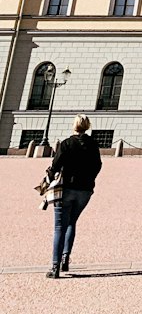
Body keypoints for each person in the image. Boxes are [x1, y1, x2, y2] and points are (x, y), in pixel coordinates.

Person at [47, 114, 102, 278]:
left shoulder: (66, 144)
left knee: (59, 227)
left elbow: (55, 166)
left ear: (74, 126)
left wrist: (49, 177)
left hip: (66, 189)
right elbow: (98, 165)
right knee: (72, 222)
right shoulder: (93, 145)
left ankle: (55, 267)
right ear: (87, 126)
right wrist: (90, 179)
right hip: (85, 190)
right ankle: (65, 259)